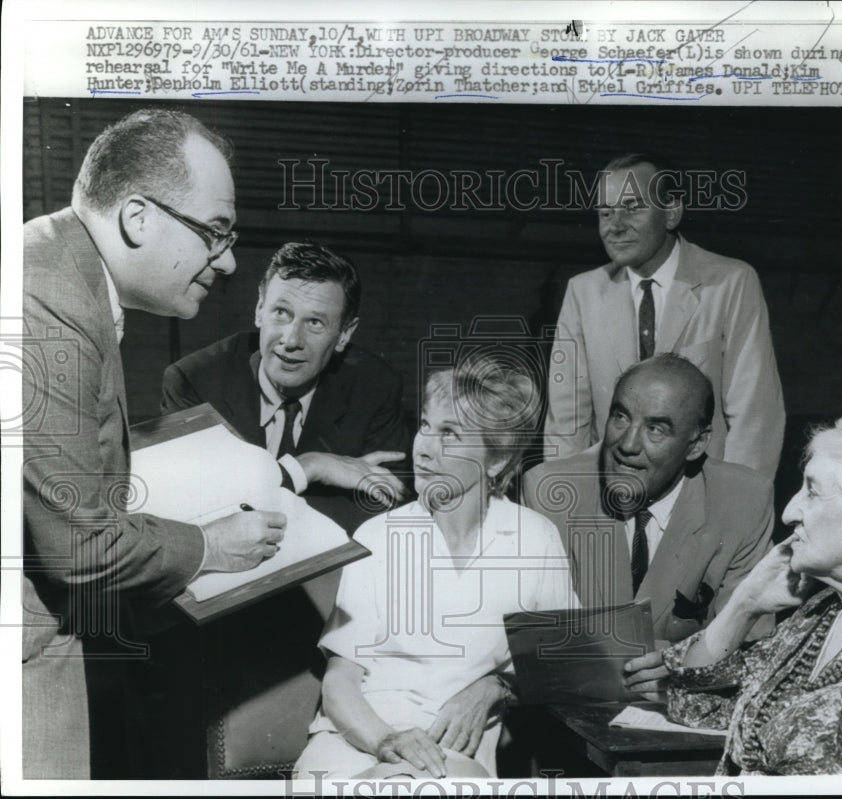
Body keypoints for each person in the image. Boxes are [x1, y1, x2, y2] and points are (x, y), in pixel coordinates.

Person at [21, 108, 285, 778]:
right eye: (215, 233)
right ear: (138, 218)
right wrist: (211, 543)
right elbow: (79, 546)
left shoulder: (64, 273)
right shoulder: (45, 298)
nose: (227, 261)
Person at [624, 412, 842, 775]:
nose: (789, 513)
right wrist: (745, 604)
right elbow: (698, 703)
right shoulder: (821, 614)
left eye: (812, 491)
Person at [294, 354, 578, 779]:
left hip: (453, 754)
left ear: (496, 460)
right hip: (358, 740)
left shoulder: (535, 539)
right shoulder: (379, 536)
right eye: (425, 425)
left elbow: (562, 664)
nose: (424, 446)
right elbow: (339, 684)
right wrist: (387, 742)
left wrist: (498, 687)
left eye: (450, 433)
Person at [544, 153, 785, 479]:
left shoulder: (731, 282)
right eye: (605, 212)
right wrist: (568, 507)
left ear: (671, 213)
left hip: (703, 498)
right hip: (614, 500)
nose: (615, 225)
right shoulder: (583, 292)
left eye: (632, 208)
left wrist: (734, 510)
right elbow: (566, 421)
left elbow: (756, 415)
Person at [161, 241, 409, 534]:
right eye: (281, 313)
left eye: (315, 322)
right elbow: (188, 509)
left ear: (344, 334)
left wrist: (254, 494)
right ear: (259, 310)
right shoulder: (195, 381)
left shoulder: (375, 387)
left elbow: (385, 512)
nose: (291, 340)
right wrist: (308, 467)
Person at [525, 353, 774, 643]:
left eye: (656, 429)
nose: (627, 445)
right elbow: (539, 642)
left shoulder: (744, 501)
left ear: (696, 444)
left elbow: (752, 645)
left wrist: (674, 667)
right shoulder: (549, 491)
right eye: (620, 417)